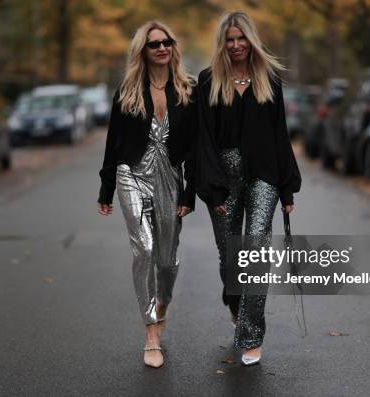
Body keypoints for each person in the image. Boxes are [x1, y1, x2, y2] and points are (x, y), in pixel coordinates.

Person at [195, 11, 301, 366]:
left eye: (242, 38)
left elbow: (280, 135)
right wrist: (212, 189)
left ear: (251, 40)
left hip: (264, 176)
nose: (237, 45)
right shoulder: (208, 81)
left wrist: (286, 191)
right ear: (223, 43)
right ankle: (237, 306)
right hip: (223, 179)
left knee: (254, 249)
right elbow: (204, 140)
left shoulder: (269, 79)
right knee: (231, 261)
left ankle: (251, 336)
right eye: (230, 39)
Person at [97, 21, 196, 368]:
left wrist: (190, 192)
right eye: (154, 44)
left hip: (169, 177)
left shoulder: (187, 89)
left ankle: (162, 301)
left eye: (166, 42)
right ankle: (151, 331)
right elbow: (113, 142)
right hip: (131, 175)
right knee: (145, 249)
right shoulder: (127, 90)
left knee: (167, 262)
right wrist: (106, 187)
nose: (161, 48)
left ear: (173, 47)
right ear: (143, 50)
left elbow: (196, 149)